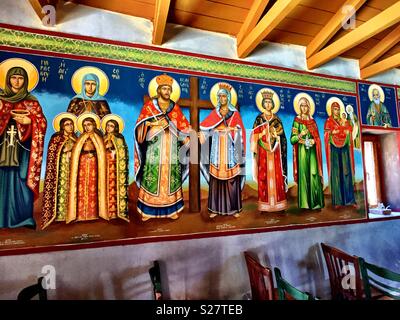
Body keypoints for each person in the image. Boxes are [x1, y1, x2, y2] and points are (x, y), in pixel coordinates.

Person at [134, 74, 190, 221]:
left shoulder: (174, 108)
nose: (167, 91)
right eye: (164, 88)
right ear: (159, 90)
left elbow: (184, 127)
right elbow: (140, 127)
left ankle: (172, 210)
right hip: (154, 149)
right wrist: (154, 124)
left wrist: (188, 137)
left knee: (171, 177)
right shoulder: (149, 107)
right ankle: (147, 210)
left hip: (172, 148)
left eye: (169, 89)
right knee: (152, 177)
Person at [0, 65, 47, 229]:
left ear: (25, 80)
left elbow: (42, 122)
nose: (17, 81)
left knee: (21, 181)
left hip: (23, 151)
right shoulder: (1, 99)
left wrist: (30, 122)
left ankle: (22, 219)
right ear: (8, 79)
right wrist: (5, 116)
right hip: (3, 147)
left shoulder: (32, 102)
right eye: (14, 77)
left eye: (20, 78)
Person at [199, 82, 246, 218]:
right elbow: (205, 127)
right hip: (217, 149)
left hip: (230, 149)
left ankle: (234, 209)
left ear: (228, 98)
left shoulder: (234, 114)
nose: (221, 99)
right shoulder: (215, 113)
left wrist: (231, 130)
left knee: (232, 178)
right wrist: (206, 133)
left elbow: (240, 131)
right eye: (219, 97)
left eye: (224, 97)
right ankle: (214, 209)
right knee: (216, 179)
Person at [67, 113, 108, 223]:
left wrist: (94, 154)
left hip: (94, 164)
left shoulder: (98, 137)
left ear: (94, 125)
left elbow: (101, 152)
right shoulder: (81, 137)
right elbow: (76, 151)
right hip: (82, 164)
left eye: (89, 124)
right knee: (81, 187)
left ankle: (93, 214)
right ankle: (80, 215)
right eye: (84, 125)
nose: (86, 127)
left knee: (93, 187)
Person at [251, 90, 287, 212]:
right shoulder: (259, 119)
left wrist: (277, 136)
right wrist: (261, 134)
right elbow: (253, 136)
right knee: (263, 177)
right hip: (263, 153)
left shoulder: (277, 120)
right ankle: (264, 206)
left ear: (272, 104)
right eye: (265, 102)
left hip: (275, 153)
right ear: (262, 103)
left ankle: (279, 206)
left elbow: (283, 138)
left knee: (277, 177)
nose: (267, 104)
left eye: (269, 102)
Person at [41, 113, 77, 229]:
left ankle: (71, 214)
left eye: (71, 124)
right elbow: (52, 153)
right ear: (62, 126)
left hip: (73, 170)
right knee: (61, 190)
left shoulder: (76, 138)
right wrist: (65, 150)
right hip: (60, 170)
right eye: (67, 124)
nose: (70, 127)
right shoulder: (56, 138)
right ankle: (58, 215)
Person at [290, 95, 324, 210]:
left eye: (306, 106)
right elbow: (292, 139)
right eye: (302, 106)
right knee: (304, 175)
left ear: (309, 107)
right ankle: (305, 204)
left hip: (312, 152)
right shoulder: (297, 121)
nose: (304, 108)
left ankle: (315, 203)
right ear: (299, 107)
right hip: (302, 152)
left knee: (314, 174)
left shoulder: (313, 122)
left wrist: (314, 141)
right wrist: (301, 134)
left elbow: (318, 139)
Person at [324, 102, 357, 209]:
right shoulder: (328, 121)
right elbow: (326, 134)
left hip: (344, 149)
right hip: (334, 148)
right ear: (331, 110)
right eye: (335, 109)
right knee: (336, 173)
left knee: (346, 171)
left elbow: (349, 130)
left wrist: (346, 131)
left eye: (338, 109)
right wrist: (332, 132)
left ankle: (349, 200)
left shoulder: (344, 120)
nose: (337, 111)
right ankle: (337, 201)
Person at [102, 114, 129, 222]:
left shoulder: (119, 139)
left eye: (111, 126)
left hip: (115, 168)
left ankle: (116, 213)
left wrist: (115, 151)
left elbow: (123, 152)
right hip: (104, 167)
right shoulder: (102, 138)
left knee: (114, 190)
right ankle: (105, 213)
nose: (109, 128)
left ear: (116, 128)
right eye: (107, 125)